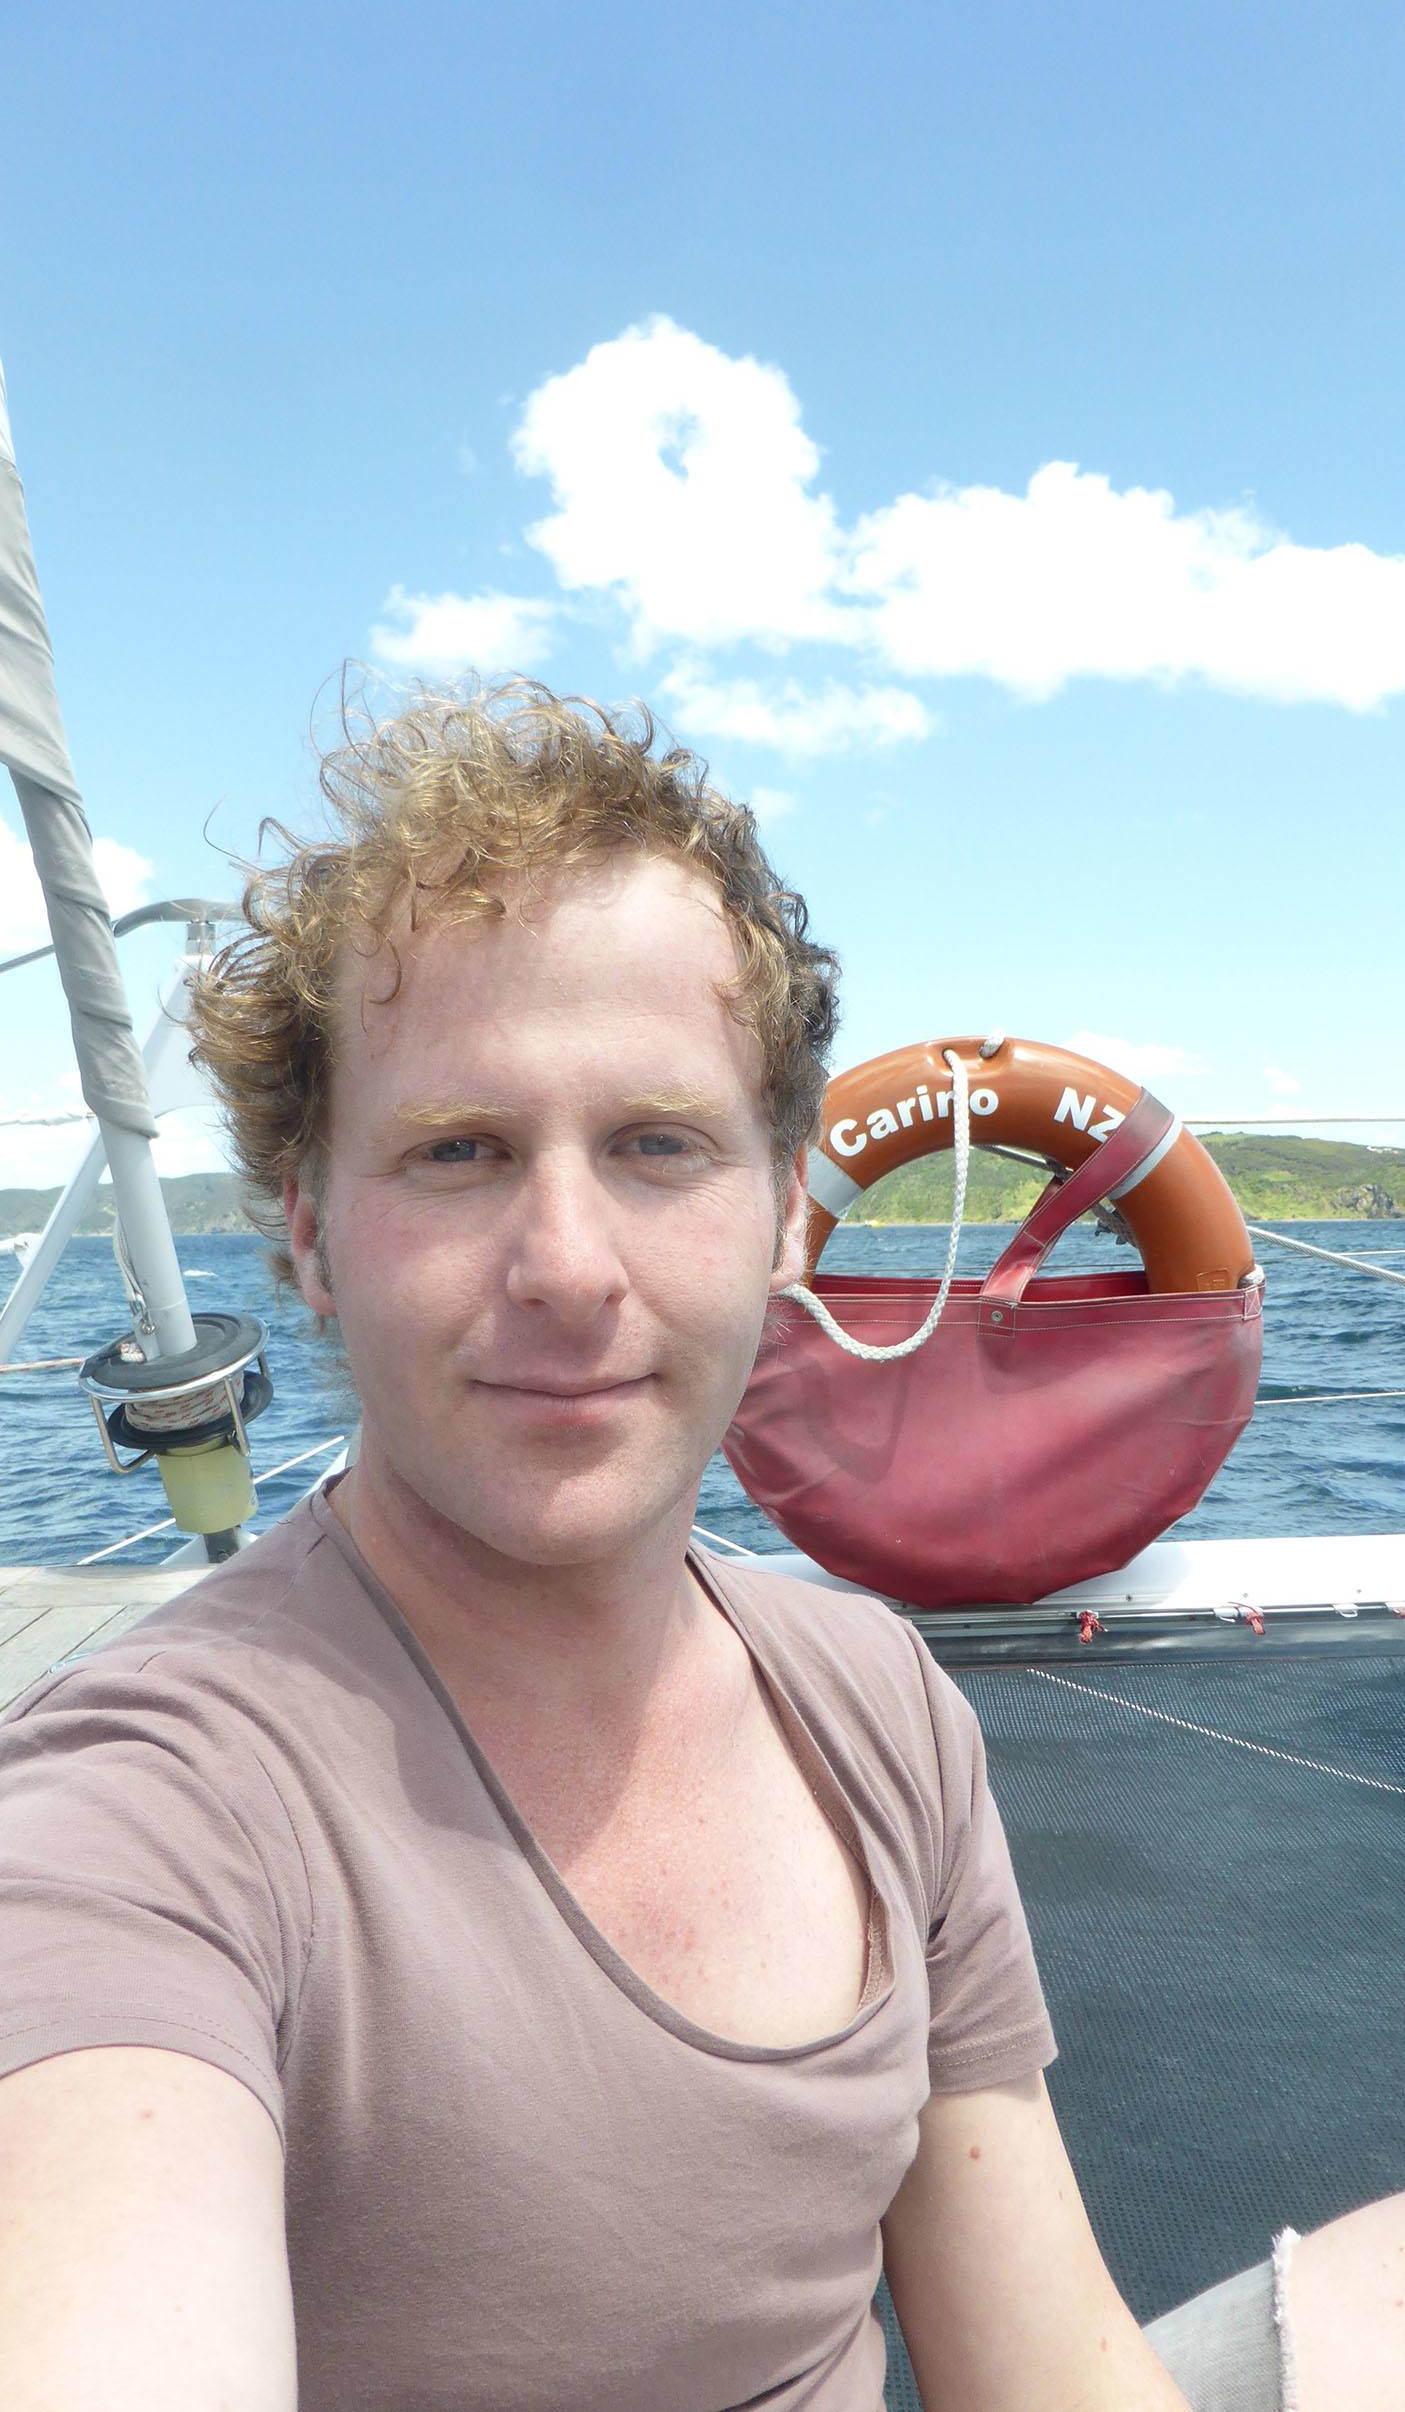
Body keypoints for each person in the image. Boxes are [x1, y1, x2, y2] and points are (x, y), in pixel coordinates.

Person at [0, 681, 1398, 2412]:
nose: (568, 1264)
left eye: (657, 1144)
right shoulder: (146, 1817)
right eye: (459, 1152)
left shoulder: (872, 1700)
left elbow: (1039, 2364)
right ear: (305, 1233)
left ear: (775, 1207)